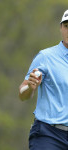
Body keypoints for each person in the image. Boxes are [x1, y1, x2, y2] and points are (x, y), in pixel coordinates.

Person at [19, 9, 68, 150]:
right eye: (66, 26)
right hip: (49, 134)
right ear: (61, 28)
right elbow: (22, 93)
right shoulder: (46, 57)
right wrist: (30, 87)